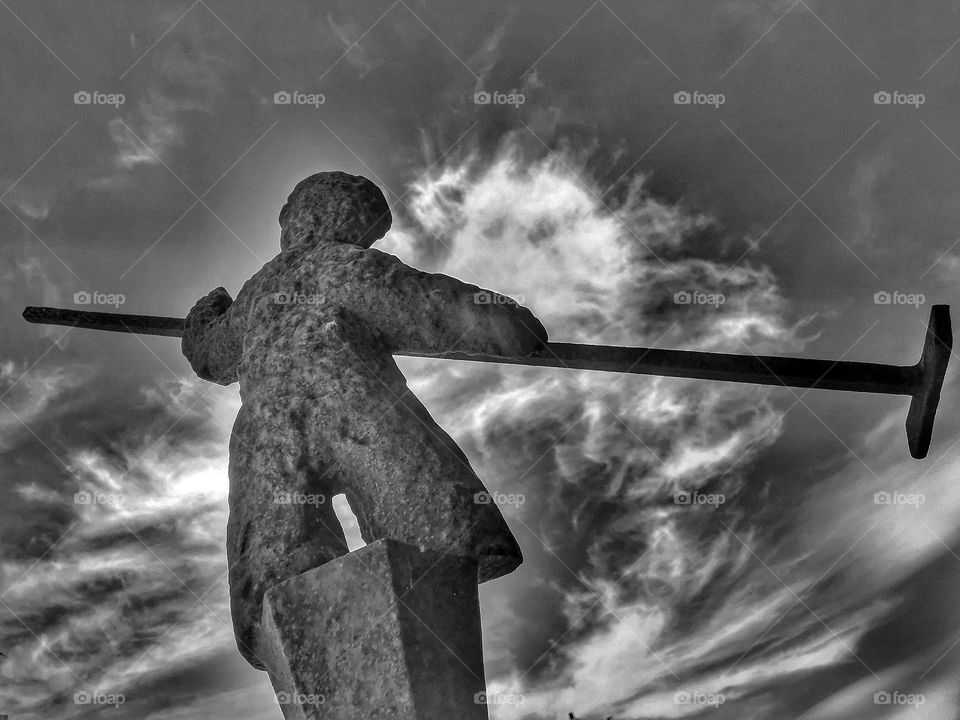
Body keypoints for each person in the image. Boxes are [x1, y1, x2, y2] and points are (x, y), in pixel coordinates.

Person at [181, 171, 548, 669]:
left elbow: (211, 352)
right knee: (425, 521)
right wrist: (506, 322)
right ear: (343, 222)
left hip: (269, 430)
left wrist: (206, 317)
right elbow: (429, 305)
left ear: (297, 221)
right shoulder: (341, 266)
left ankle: (284, 598)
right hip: (349, 402)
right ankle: (409, 580)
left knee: (277, 551)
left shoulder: (263, 289)